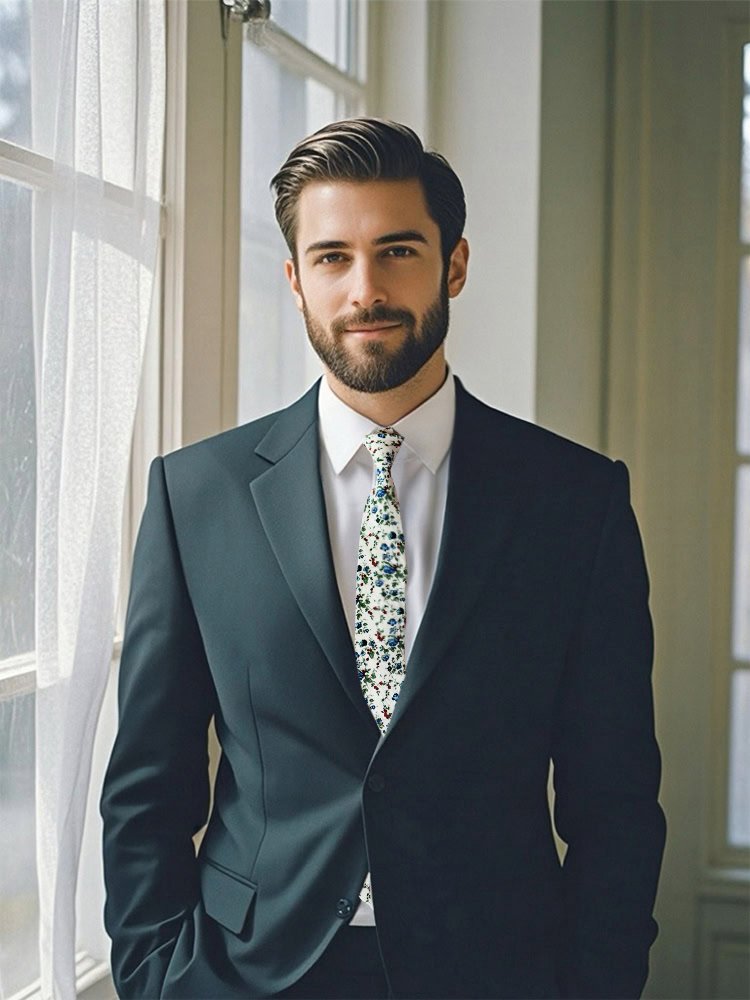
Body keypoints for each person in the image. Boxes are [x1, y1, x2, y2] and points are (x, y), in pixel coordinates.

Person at [101, 118, 666, 1000]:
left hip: (498, 970)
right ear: (294, 281)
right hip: (244, 973)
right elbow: (147, 787)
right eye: (331, 257)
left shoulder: (575, 502)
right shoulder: (194, 496)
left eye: (397, 250)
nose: (365, 289)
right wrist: (152, 977)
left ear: (456, 264)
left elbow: (617, 802)